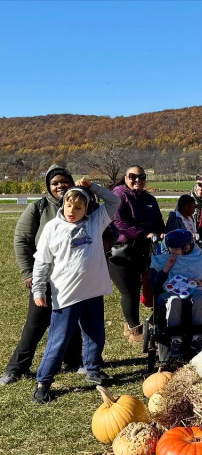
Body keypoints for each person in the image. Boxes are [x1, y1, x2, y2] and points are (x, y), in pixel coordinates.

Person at [31, 179, 120, 403]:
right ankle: (43, 382)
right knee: (59, 340)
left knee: (95, 336)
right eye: (69, 206)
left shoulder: (95, 221)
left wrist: (93, 187)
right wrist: (39, 289)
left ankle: (92, 369)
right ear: (63, 205)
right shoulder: (53, 228)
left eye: (79, 207)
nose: (73, 211)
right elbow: (42, 262)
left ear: (87, 208)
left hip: (93, 291)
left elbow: (114, 200)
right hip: (67, 295)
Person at [2, 166, 83, 385]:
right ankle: (17, 368)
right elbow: (21, 240)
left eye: (64, 181)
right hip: (46, 275)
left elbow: (106, 231)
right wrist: (28, 272)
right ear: (48, 186)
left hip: (73, 277)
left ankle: (74, 360)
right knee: (36, 322)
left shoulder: (83, 204)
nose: (60, 186)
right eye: (55, 183)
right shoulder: (39, 208)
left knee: (72, 319)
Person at [109, 165, 165, 343]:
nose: (137, 180)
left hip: (144, 250)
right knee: (129, 290)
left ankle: (130, 325)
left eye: (141, 177)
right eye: (132, 177)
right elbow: (117, 222)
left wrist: (161, 232)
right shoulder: (118, 196)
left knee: (142, 286)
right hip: (122, 250)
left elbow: (158, 220)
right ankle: (134, 331)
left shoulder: (149, 199)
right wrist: (142, 233)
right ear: (125, 178)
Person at [149, 229, 202, 360]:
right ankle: (175, 339)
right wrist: (166, 268)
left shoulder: (199, 261)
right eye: (171, 250)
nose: (173, 253)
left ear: (187, 247)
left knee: (200, 298)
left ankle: (198, 337)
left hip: (195, 290)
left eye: (177, 250)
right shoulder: (162, 260)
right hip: (169, 292)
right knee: (174, 300)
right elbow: (155, 286)